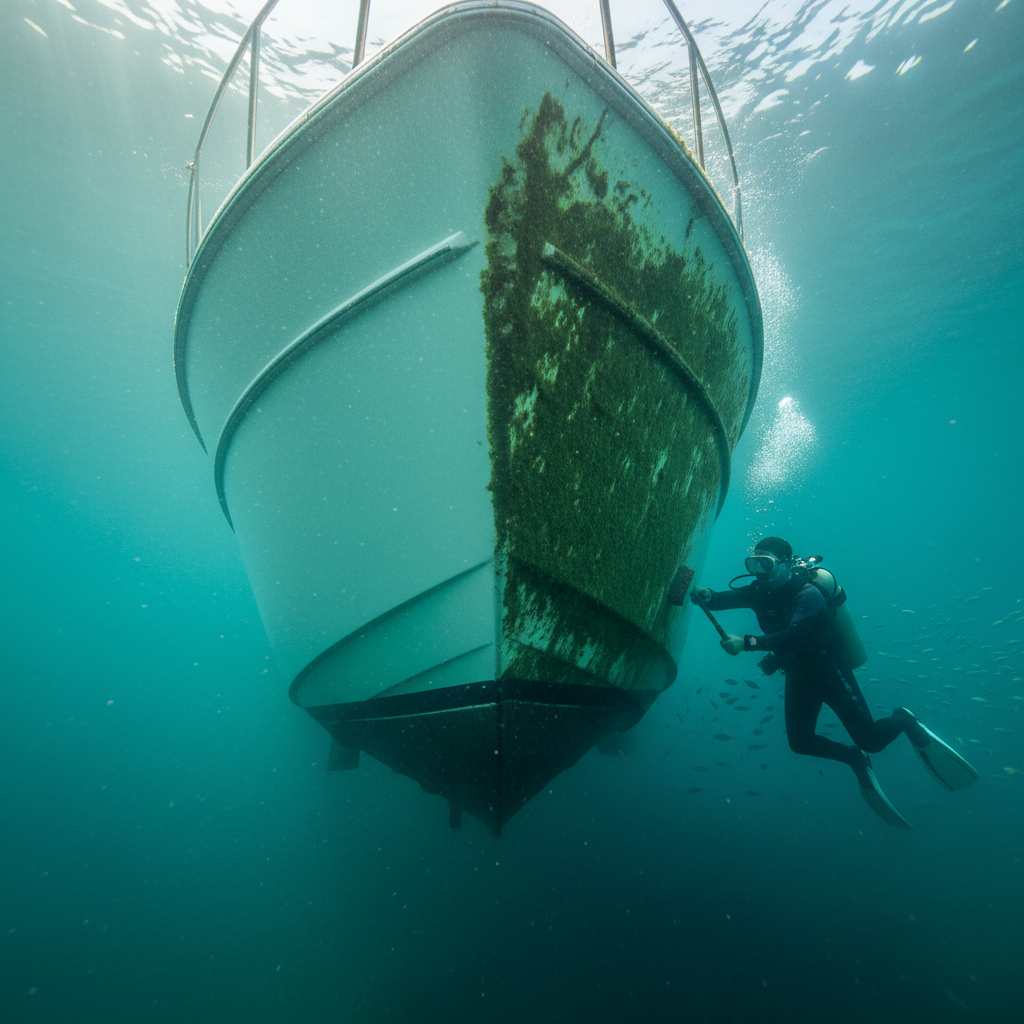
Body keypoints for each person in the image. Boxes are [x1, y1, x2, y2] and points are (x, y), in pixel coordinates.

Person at [691, 536, 978, 828]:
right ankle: (854, 758)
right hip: (798, 675)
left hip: (830, 672)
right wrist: (707, 596)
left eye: (765, 564)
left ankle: (904, 720)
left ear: (785, 564)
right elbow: (725, 599)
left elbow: (795, 636)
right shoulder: (759, 591)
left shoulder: (808, 593)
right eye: (754, 565)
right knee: (800, 743)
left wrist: (746, 643)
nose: (759, 572)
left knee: (872, 740)